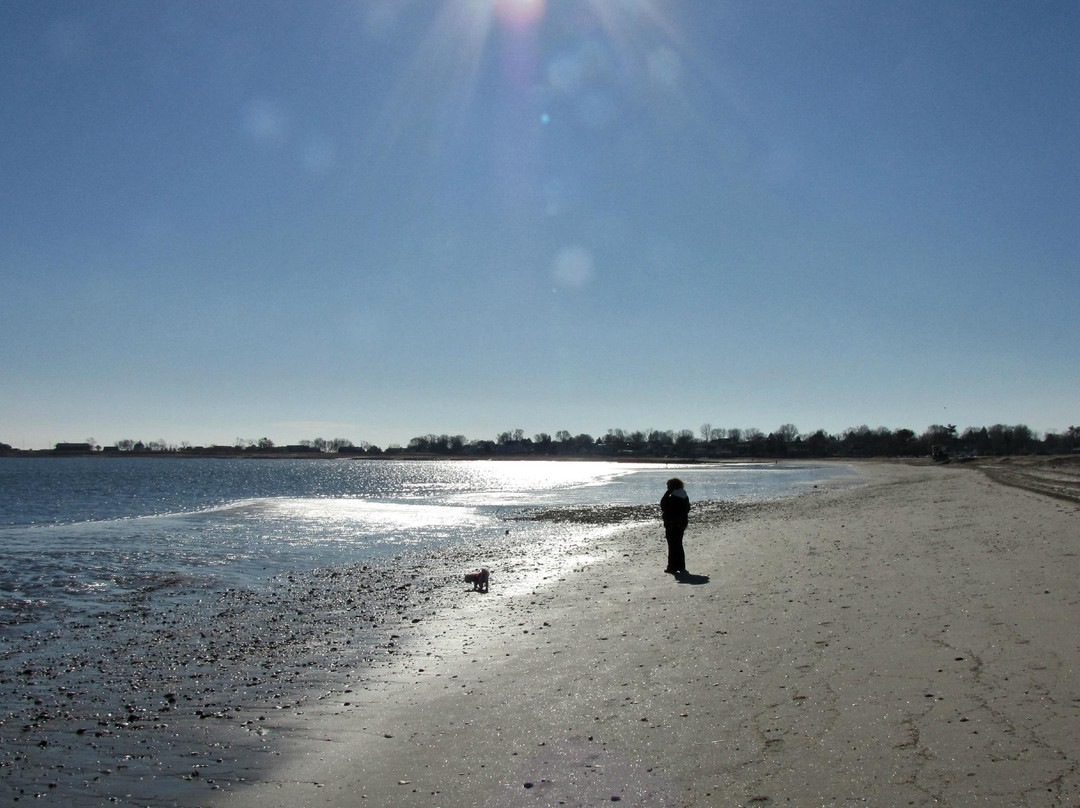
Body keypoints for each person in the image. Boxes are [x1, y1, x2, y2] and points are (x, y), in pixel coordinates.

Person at [660, 477, 690, 574]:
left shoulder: (672, 497)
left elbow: (663, 506)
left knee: (672, 545)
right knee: (678, 544)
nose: (667, 487)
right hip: (681, 523)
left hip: (672, 524)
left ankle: (672, 566)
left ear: (672, 487)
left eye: (668, 486)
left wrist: (667, 493)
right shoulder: (684, 496)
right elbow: (687, 509)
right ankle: (681, 566)